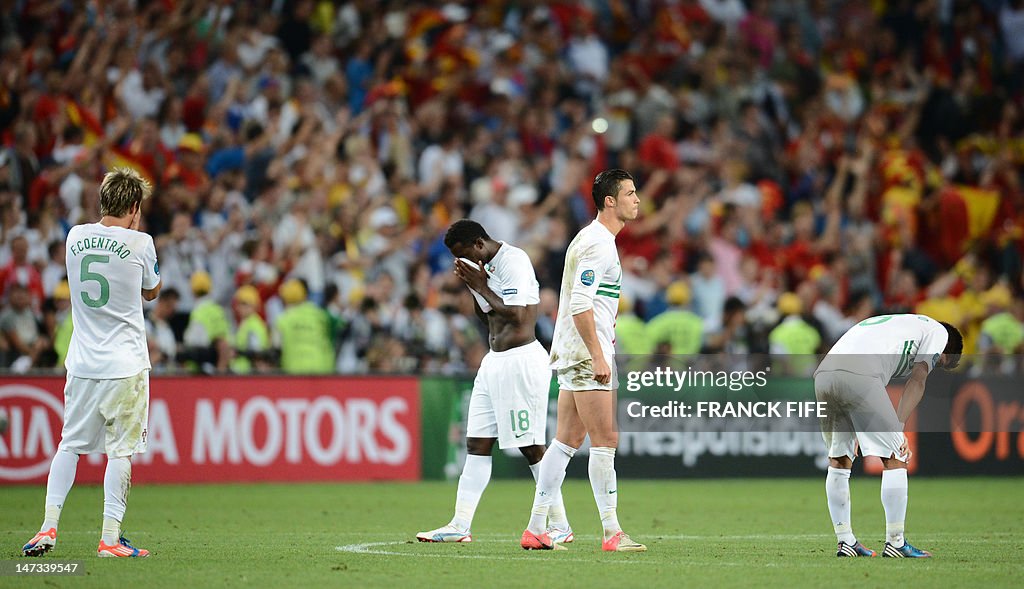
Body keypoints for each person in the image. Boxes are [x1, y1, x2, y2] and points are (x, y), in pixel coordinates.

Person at [22, 167, 161, 558]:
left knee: (69, 446)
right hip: (125, 365)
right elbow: (151, 291)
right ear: (134, 206)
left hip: (82, 363)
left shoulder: (75, 237)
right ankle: (110, 539)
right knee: (120, 452)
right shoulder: (141, 243)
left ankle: (47, 527)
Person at [417, 219, 573, 544]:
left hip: (522, 361)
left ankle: (560, 524)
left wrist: (482, 283)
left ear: (478, 244)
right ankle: (460, 525)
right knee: (477, 443)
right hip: (494, 361)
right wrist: (475, 285)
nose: (462, 262)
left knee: (530, 446)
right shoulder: (484, 267)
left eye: (464, 254)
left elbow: (517, 316)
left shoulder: (514, 260)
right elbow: (487, 314)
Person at [521, 169, 645, 552]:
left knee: (567, 440)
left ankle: (537, 527)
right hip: (586, 352)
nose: (637, 199)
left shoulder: (594, 239)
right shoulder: (598, 244)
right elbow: (579, 304)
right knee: (605, 438)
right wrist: (597, 354)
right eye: (630, 192)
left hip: (575, 350)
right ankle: (612, 532)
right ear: (610, 200)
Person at [814, 314, 962, 558]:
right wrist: (898, 426)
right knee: (896, 456)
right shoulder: (939, 333)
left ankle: (846, 541)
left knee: (839, 459)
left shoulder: (900, 323)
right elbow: (919, 378)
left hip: (824, 374)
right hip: (860, 373)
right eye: (943, 362)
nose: (937, 365)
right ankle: (896, 541)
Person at [274, 279, 333, 374]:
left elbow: (276, 345)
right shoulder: (320, 315)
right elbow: (328, 342)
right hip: (321, 368)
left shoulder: (283, 320)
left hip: (294, 370)